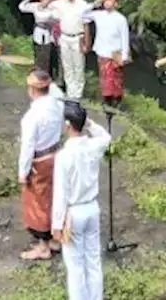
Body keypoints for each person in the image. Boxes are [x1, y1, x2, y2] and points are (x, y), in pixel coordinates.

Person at [52, 101, 112, 300]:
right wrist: (89, 124)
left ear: (67, 126)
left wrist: (57, 224)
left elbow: (61, 193)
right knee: (93, 260)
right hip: (92, 208)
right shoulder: (94, 146)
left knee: (75, 265)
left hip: (73, 213)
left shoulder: (63, 156)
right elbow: (106, 137)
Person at [18, 70, 65, 260]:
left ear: (31, 89)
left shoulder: (32, 116)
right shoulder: (56, 104)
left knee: (38, 204)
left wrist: (23, 172)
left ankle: (44, 246)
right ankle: (55, 239)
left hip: (39, 162)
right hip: (55, 155)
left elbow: (27, 146)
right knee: (55, 197)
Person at [48, 0, 93, 101]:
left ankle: (78, 94)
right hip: (64, 37)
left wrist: (87, 43)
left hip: (78, 37)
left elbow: (86, 24)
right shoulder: (61, 3)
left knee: (78, 66)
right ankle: (70, 92)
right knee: (67, 66)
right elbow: (45, 5)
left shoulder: (83, 4)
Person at [90, 0, 131, 107]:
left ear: (115, 3)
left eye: (110, 1)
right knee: (105, 76)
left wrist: (125, 55)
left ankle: (117, 98)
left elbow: (125, 38)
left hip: (115, 52)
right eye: (105, 1)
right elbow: (83, 15)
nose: (107, 3)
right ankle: (106, 98)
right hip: (102, 50)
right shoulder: (99, 15)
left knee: (116, 77)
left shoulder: (121, 19)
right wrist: (94, 4)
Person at [20, 0, 60, 79]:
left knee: (47, 56)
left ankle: (46, 76)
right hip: (38, 32)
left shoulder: (52, 7)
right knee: (38, 55)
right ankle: (37, 75)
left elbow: (57, 18)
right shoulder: (35, 6)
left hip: (48, 33)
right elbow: (22, 7)